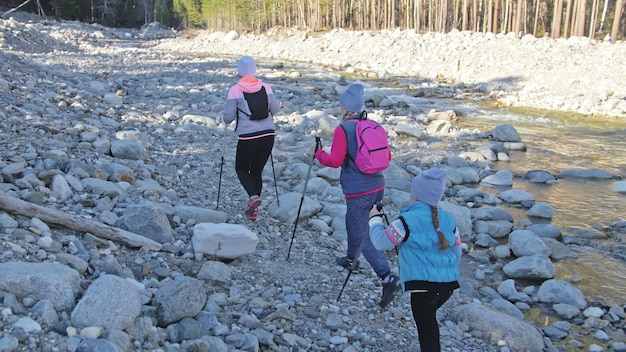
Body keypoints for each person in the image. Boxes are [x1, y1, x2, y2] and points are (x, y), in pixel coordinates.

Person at [312, 82, 399, 308]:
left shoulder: (344, 129)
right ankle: (351, 259)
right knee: (353, 222)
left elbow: (335, 161)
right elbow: (386, 157)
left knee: (362, 235)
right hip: (377, 186)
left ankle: (387, 277)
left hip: (358, 190)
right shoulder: (373, 125)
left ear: (345, 107)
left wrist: (318, 154)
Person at [368, 167, 462, 352]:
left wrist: (375, 219)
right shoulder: (449, 219)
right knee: (430, 324)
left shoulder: (406, 220)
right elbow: (457, 253)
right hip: (447, 286)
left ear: (414, 194)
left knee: (427, 333)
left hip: (423, 288)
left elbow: (380, 242)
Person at [222, 56, 280, 221]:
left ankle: (253, 198)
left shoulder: (235, 90)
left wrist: (224, 118)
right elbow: (275, 110)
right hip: (268, 135)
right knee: (256, 171)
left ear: (239, 71)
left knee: (241, 169)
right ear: (254, 70)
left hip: (248, 137)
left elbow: (228, 117)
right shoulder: (266, 87)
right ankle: (254, 210)